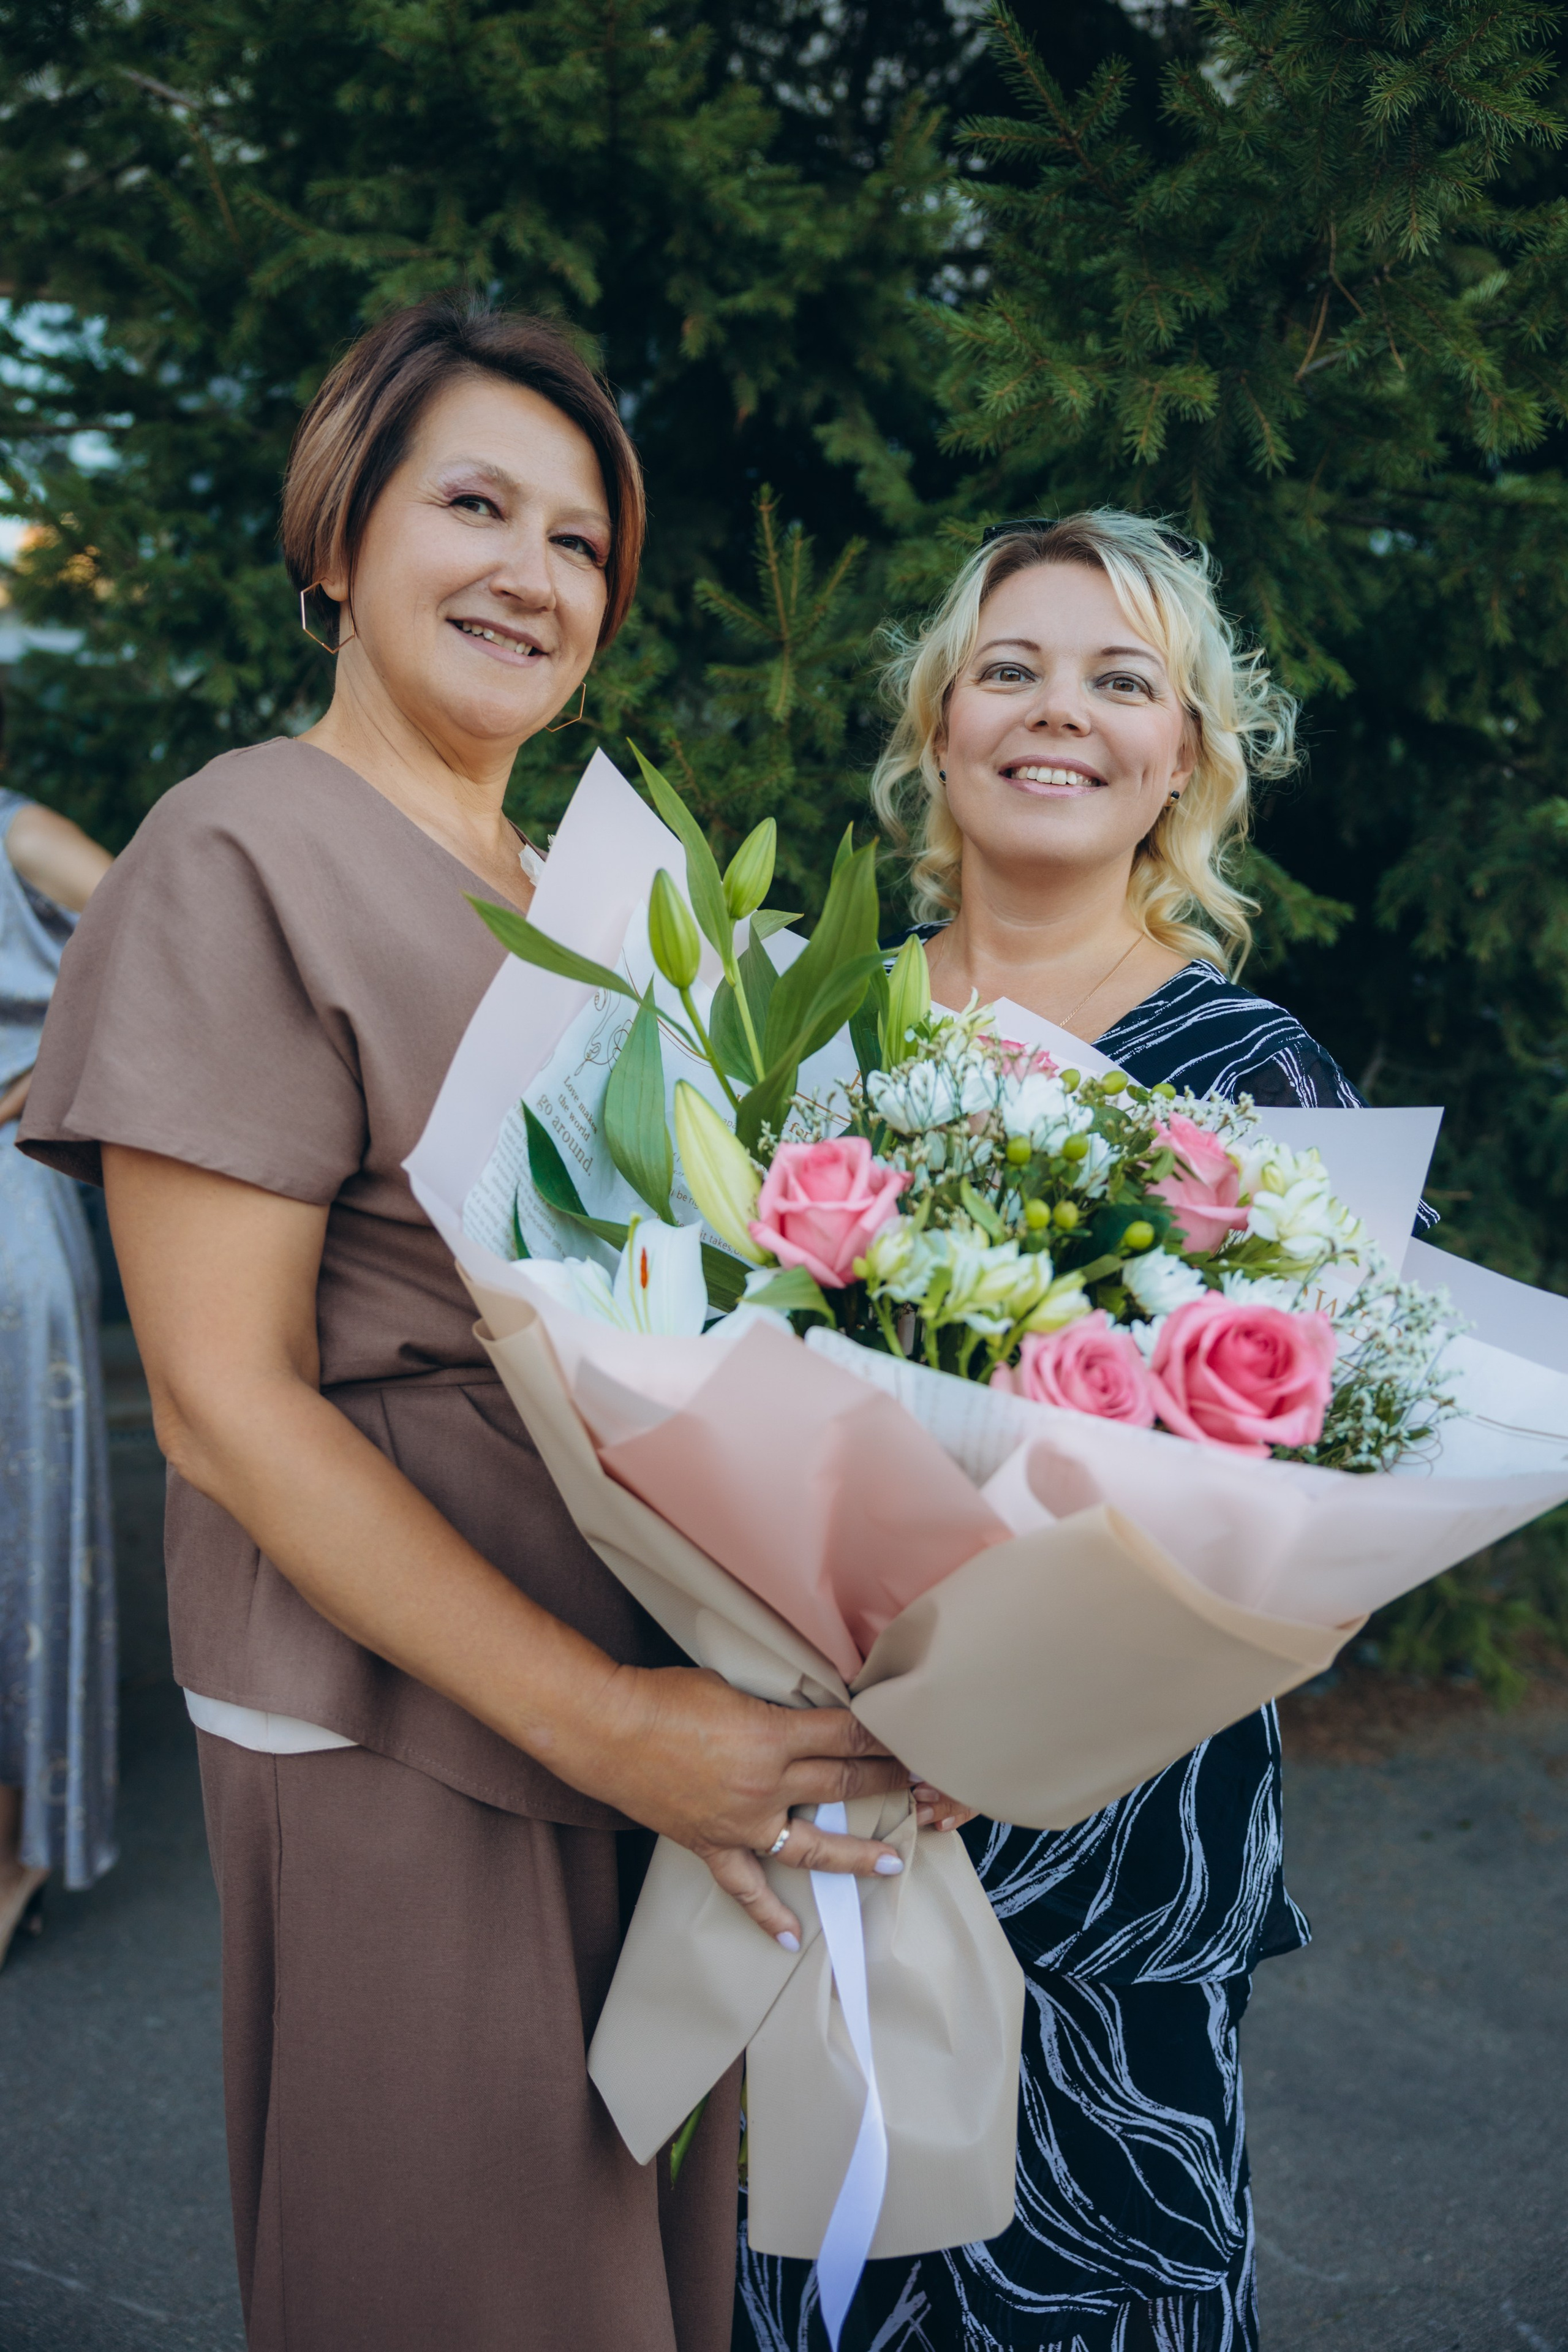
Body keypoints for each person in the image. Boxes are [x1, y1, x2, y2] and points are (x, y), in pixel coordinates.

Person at [19, 295, 913, 2352]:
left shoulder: (610, 896)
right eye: (474, 507)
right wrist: (612, 1728)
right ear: (337, 541)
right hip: (404, 1718)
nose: (533, 571)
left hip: (641, 1707)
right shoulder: (236, 849)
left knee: (639, 2287)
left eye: (581, 541)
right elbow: (229, 1407)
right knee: (477, 2289)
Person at [734, 511, 1372, 2352]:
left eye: (1122, 679)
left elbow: (1312, 1525)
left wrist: (1008, 1716)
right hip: (817, 1823)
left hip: (1111, 1876)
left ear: (1185, 752)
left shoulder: (1256, 1078)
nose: (1058, 711)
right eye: (1008, 667)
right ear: (938, 724)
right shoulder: (801, 1036)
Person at [0, 745, 116, 1966]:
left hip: (4, 1230)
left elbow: (166, 931)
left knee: (19, 1541)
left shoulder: (19, 832)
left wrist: (35, 1081)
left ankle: (20, 1852)